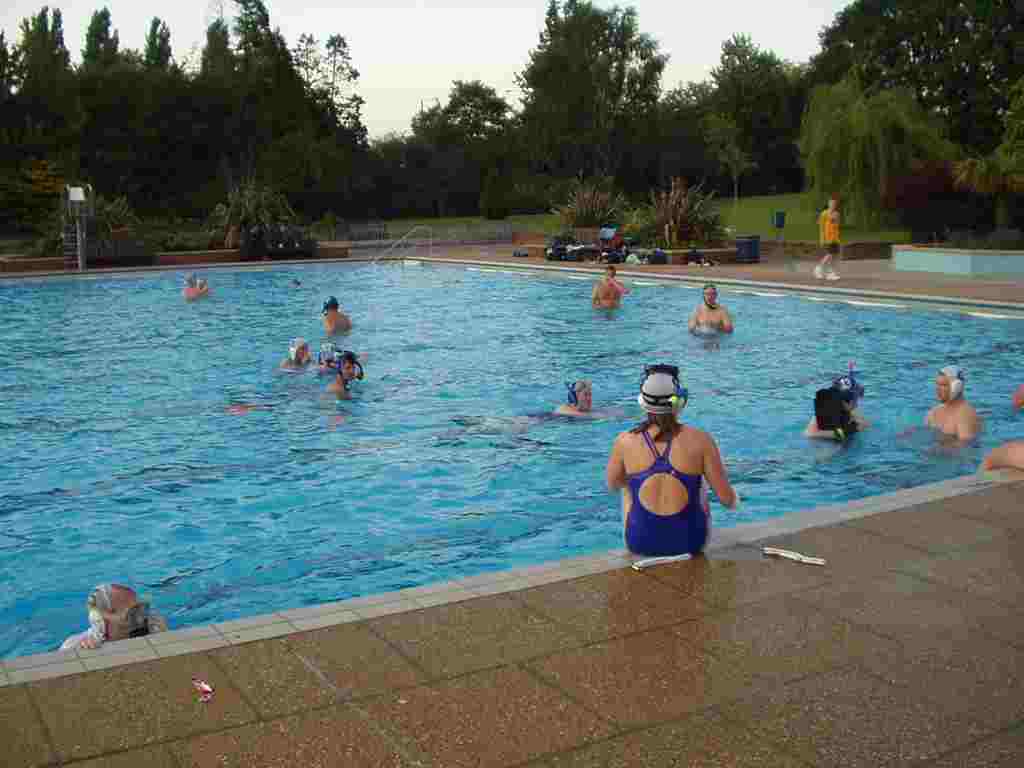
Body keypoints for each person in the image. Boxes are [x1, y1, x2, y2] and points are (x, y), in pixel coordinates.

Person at [606, 364, 738, 557]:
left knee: (627, 487)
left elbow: (613, 484)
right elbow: (728, 501)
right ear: (679, 401)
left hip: (639, 543)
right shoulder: (701, 440)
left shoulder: (624, 441)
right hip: (690, 542)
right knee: (699, 483)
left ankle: (647, 532)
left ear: (642, 402)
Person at [60, 583, 167, 651]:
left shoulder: (153, 630)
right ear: (100, 621)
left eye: (141, 608)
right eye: (132, 613)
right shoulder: (74, 646)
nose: (141, 617)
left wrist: (163, 637)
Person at [804, 368, 869, 441]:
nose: (856, 405)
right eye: (855, 401)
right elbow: (810, 434)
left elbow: (864, 424)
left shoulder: (847, 408)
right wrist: (850, 430)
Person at [925, 365, 981, 442]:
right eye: (937, 384)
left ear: (956, 387)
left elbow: (966, 448)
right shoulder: (934, 412)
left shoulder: (964, 415)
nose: (938, 389)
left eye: (943, 385)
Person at [814, 196, 842, 281]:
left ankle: (830, 273)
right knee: (829, 254)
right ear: (829, 204)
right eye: (831, 203)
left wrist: (835, 220)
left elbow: (837, 226)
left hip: (835, 238)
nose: (833, 205)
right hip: (828, 238)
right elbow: (821, 226)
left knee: (835, 256)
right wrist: (822, 238)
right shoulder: (824, 213)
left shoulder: (837, 214)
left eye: (834, 204)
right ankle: (818, 268)